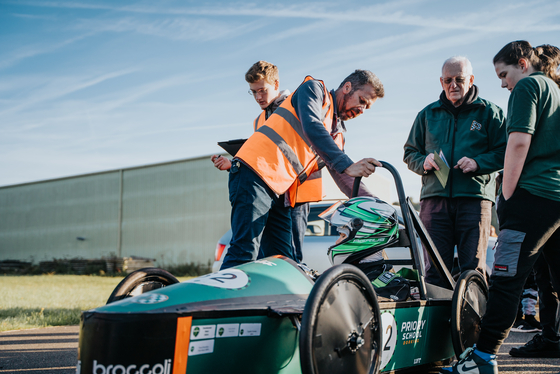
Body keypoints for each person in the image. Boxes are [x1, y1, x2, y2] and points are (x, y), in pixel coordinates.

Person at [440, 41, 560, 373]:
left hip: (530, 197)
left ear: (523, 63)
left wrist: (506, 193)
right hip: (556, 198)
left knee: (506, 278)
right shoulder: (556, 89)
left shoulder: (529, 86)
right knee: (553, 281)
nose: (503, 84)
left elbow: (519, 140)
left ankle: (481, 358)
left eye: (504, 75)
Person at [221, 70, 384, 269]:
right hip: (254, 174)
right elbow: (312, 126)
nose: (361, 110)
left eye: (367, 107)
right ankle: (215, 300)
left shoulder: (336, 132)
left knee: (283, 262)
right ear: (347, 87)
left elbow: (344, 177)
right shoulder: (315, 90)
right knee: (244, 251)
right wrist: (348, 165)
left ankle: (278, 300)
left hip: (278, 188)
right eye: (362, 101)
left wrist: (377, 205)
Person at [403, 56, 507, 286]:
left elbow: (506, 151)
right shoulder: (427, 114)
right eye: (448, 80)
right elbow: (410, 153)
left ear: (470, 79)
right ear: (441, 82)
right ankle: (438, 322)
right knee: (434, 270)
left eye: (459, 79)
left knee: (473, 268)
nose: (453, 85)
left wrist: (478, 163)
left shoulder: (491, 113)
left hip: (474, 201)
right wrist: (423, 161)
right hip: (434, 202)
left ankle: (471, 321)